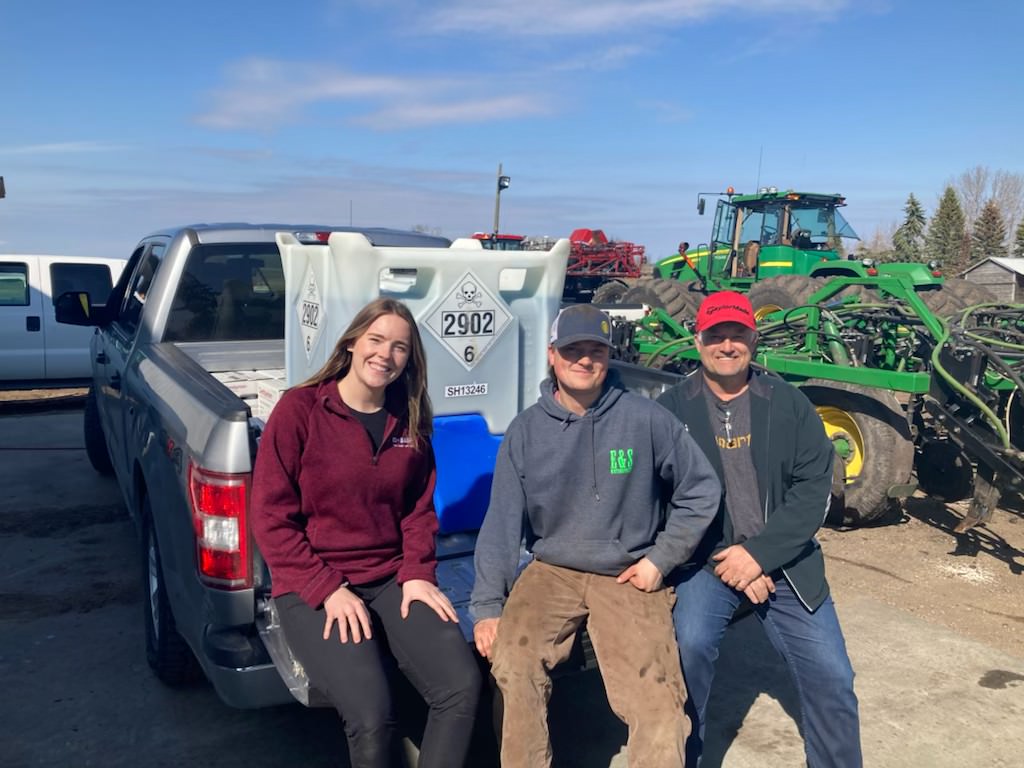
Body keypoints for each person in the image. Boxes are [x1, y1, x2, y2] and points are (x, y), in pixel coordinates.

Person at [470, 303, 722, 768]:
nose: (584, 360)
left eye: (595, 350)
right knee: (513, 663)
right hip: (552, 570)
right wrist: (487, 607)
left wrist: (659, 560)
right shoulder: (525, 431)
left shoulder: (646, 419)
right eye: (573, 349)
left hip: (627, 573)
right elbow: (502, 522)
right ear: (552, 355)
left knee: (657, 698)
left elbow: (702, 490)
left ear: (609, 355)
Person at [251, 297, 481, 768]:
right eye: (376, 340)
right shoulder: (301, 410)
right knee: (373, 714)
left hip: (392, 576)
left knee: (461, 686)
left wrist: (418, 572)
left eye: (400, 347)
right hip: (314, 583)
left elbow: (419, 510)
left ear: (409, 359)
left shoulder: (411, 418)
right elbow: (270, 518)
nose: (386, 355)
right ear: (352, 343)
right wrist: (326, 588)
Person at [655, 291, 862, 767]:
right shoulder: (670, 411)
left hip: (785, 561)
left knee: (833, 676)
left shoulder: (789, 404)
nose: (727, 345)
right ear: (697, 338)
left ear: (753, 337)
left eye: (737, 335)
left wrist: (760, 555)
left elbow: (814, 490)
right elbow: (662, 502)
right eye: (716, 335)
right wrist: (727, 560)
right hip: (706, 561)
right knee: (690, 648)